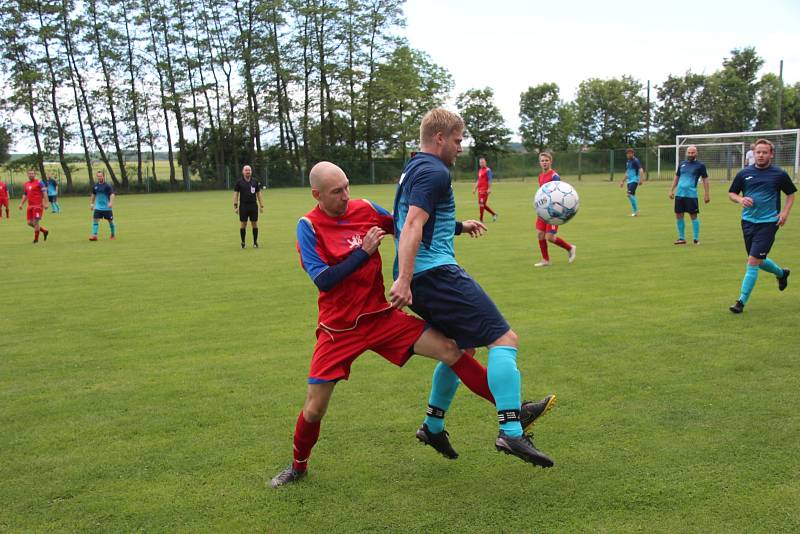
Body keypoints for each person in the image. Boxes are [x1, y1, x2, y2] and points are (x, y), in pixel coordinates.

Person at [270, 161, 554, 488]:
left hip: (381, 317)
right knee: (315, 408)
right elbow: (323, 280)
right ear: (316, 194)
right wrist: (362, 253)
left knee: (452, 348)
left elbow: (408, 225)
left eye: (347, 186)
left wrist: (459, 227)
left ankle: (513, 412)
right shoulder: (308, 226)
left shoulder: (364, 209)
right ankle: (298, 466)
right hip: (339, 331)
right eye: (337, 192)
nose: (346, 196)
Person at [390, 108, 555, 468]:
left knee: (462, 348)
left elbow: (411, 219)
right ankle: (511, 432)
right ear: (439, 138)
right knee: (504, 339)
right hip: (435, 274)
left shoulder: (414, 167)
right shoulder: (434, 171)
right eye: (457, 139)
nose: (459, 147)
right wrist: (403, 279)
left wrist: (459, 227)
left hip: (423, 275)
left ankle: (433, 424)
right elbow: (413, 224)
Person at [728, 138, 795, 313]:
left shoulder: (779, 174)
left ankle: (740, 302)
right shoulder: (744, 173)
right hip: (748, 222)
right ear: (753, 153)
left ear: (771, 154)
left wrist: (785, 213)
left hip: (768, 223)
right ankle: (781, 273)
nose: (761, 155)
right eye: (758, 152)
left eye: (765, 152)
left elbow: (791, 194)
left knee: (752, 261)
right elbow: (732, 193)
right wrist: (741, 199)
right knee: (758, 259)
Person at [534, 151, 576, 266]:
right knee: (540, 234)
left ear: (550, 162)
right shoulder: (540, 176)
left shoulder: (554, 176)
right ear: (539, 163)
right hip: (543, 210)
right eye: (542, 161)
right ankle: (545, 260)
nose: (544, 163)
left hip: (554, 211)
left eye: (546, 160)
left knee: (550, 237)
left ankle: (570, 248)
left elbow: (560, 193)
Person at [668, 145, 710, 245]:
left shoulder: (700, 165)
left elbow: (705, 180)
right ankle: (681, 238)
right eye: (689, 152)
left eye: (693, 153)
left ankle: (696, 239)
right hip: (679, 194)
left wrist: (707, 194)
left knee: (693, 216)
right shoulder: (682, 164)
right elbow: (677, 177)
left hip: (691, 195)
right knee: (679, 215)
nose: (691, 154)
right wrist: (671, 190)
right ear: (687, 153)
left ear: (696, 153)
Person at [233, 165, 264, 249]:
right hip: (243, 206)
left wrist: (261, 205)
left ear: (251, 171)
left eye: (249, 170)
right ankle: (243, 243)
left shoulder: (255, 181)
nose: (248, 172)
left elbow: (259, 194)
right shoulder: (239, 182)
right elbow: (236, 194)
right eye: (246, 170)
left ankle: (255, 242)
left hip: (253, 205)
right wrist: (235, 206)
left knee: (254, 223)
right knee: (243, 224)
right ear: (243, 172)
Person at [18, 170, 50, 243]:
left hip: (38, 206)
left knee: (36, 222)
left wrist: (46, 203)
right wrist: (21, 204)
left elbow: (45, 193)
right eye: (29, 174)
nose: (31, 175)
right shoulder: (26, 184)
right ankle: (44, 231)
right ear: (27, 175)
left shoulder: (39, 182)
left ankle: (36, 240)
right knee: (29, 223)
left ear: (35, 174)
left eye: (32, 173)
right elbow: (25, 195)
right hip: (30, 206)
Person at [89, 171, 116, 241]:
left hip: (107, 208)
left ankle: (113, 235)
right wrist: (92, 204)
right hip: (98, 207)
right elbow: (93, 195)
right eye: (98, 176)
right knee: (95, 220)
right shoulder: (95, 186)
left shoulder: (107, 186)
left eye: (100, 176)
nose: (99, 177)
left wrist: (111, 203)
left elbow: (112, 194)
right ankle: (94, 235)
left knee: (110, 221)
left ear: (103, 176)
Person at [619, 148, 645, 216]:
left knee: (629, 194)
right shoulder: (628, 162)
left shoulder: (636, 161)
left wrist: (641, 180)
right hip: (629, 181)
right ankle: (635, 211)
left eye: (630, 153)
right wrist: (622, 181)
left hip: (634, 180)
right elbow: (627, 172)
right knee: (631, 195)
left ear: (633, 154)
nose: (628, 154)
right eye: (627, 153)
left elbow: (641, 170)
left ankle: (636, 211)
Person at [472, 157, 498, 222]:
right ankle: (494, 214)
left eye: (483, 162)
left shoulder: (488, 170)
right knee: (482, 204)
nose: (481, 164)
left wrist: (489, 188)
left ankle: (481, 219)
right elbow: (479, 180)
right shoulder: (480, 170)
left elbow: (490, 180)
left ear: (485, 162)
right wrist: (475, 188)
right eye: (480, 162)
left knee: (481, 203)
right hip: (480, 190)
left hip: (485, 190)